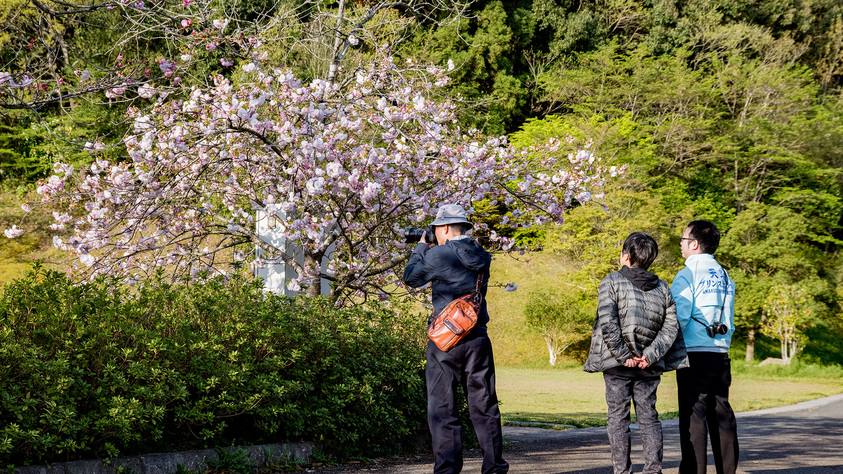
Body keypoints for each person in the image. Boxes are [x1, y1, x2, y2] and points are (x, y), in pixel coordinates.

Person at [403, 204, 508, 474]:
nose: (434, 234)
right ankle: (494, 467)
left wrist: (421, 248)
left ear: (446, 228)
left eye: (436, 229)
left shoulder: (439, 254)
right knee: (484, 404)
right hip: (477, 338)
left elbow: (411, 279)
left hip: (445, 341)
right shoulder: (482, 255)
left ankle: (448, 470)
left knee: (443, 406)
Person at [584, 232, 688, 474]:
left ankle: (622, 471)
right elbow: (671, 327)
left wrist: (624, 356)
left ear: (625, 256)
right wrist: (649, 356)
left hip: (617, 365)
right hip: (648, 367)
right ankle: (653, 470)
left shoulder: (611, 281)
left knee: (618, 418)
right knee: (649, 417)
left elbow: (608, 322)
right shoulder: (663, 288)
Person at [671, 220, 738, 474]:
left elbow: (680, 316)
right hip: (720, 351)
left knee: (693, 416)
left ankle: (693, 471)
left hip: (694, 352)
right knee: (722, 415)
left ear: (695, 244)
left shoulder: (687, 273)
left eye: (683, 239)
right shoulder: (724, 274)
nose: (681, 243)